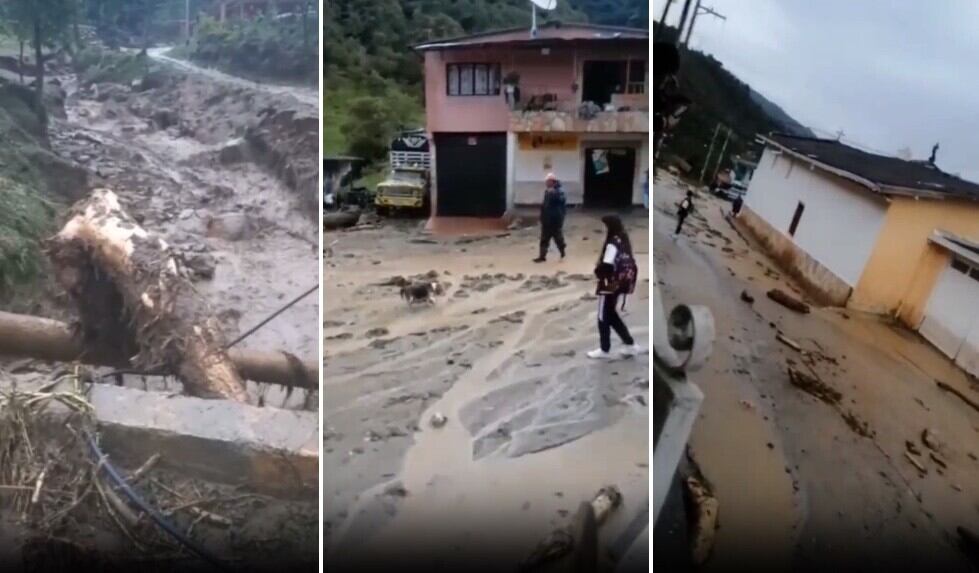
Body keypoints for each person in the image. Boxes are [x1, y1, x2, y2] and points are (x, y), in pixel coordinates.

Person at [588, 215, 644, 359]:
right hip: (621, 283)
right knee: (611, 314)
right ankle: (629, 344)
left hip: (609, 284)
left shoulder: (612, 243)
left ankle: (604, 349)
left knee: (602, 316)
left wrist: (599, 274)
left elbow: (607, 264)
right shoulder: (624, 240)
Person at [534, 173, 567, 263]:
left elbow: (561, 200)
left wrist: (554, 193)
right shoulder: (548, 191)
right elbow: (544, 206)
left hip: (555, 219)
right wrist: (542, 217)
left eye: (548, 181)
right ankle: (542, 256)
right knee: (544, 238)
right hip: (546, 219)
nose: (546, 183)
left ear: (552, 181)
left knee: (558, 237)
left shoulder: (559, 191)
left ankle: (563, 252)